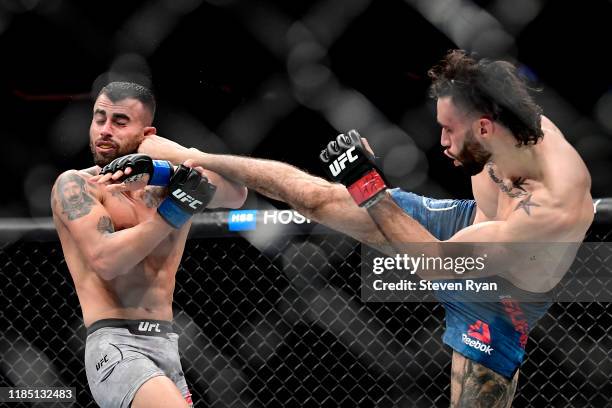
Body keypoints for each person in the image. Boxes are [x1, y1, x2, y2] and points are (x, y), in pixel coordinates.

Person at [99, 51, 593, 406]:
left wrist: (370, 188)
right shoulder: (504, 121)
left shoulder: (549, 209)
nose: (440, 140)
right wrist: (361, 189)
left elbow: (438, 267)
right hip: (469, 228)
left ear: (484, 128)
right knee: (319, 196)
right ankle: (196, 156)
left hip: (503, 282)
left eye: (449, 130)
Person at [51, 81, 247, 408]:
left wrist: (172, 156)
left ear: (147, 134)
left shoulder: (168, 182)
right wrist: (173, 211)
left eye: (120, 121)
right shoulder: (76, 186)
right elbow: (106, 259)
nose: (105, 130)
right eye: (99, 118)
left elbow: (237, 194)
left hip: (167, 345)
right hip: (117, 346)